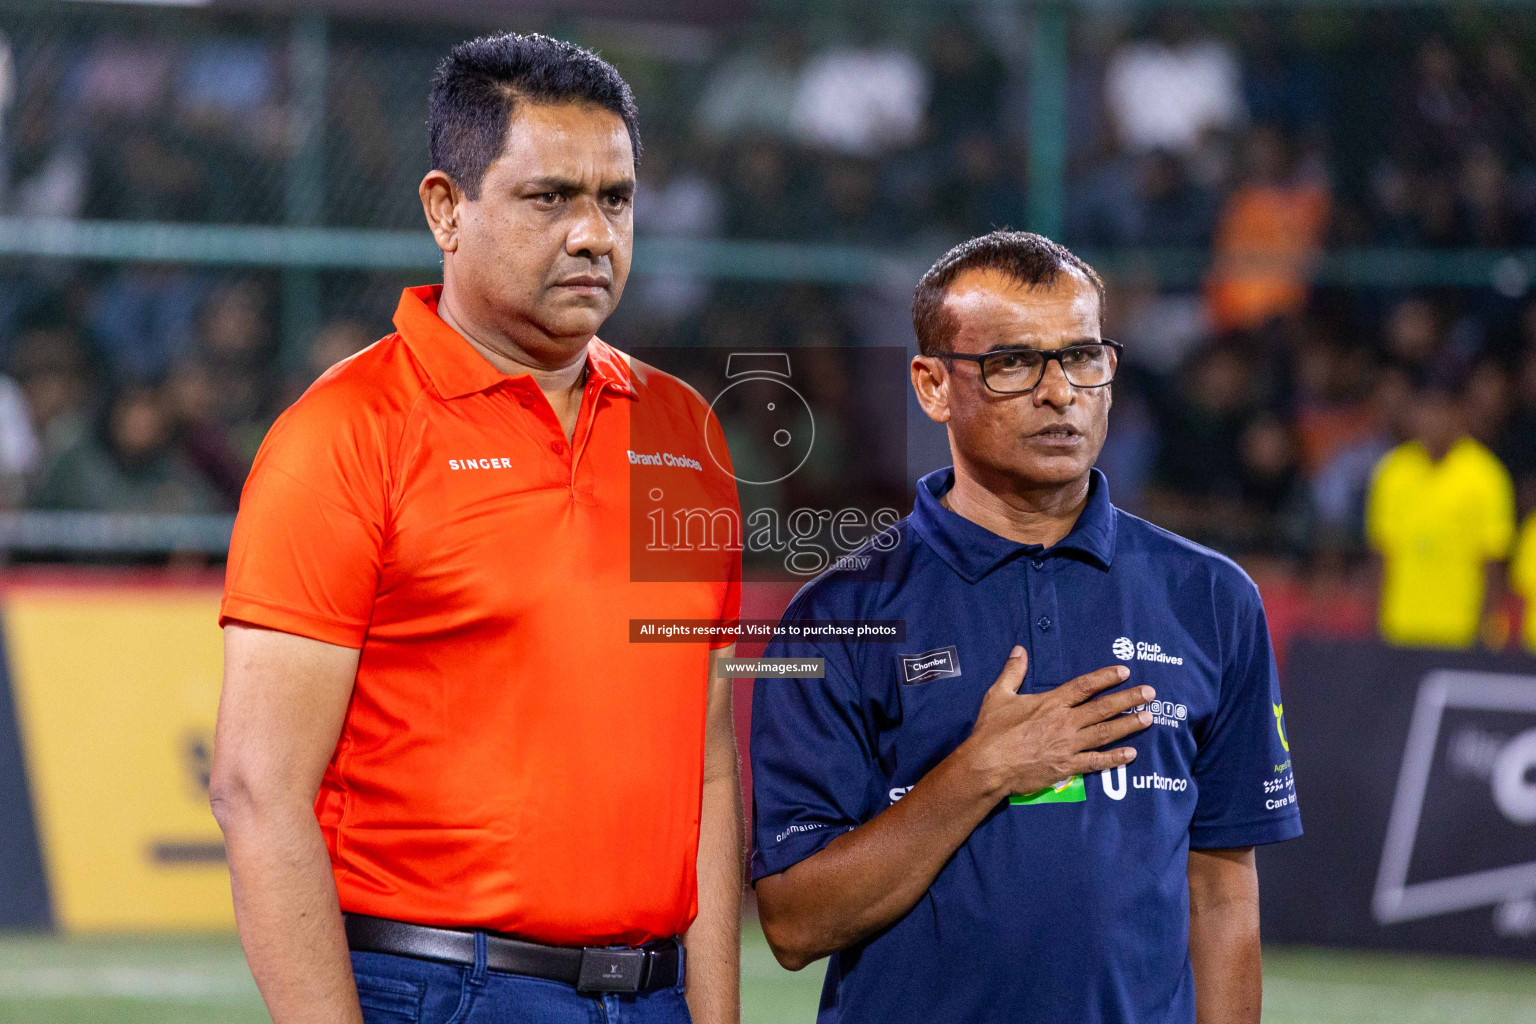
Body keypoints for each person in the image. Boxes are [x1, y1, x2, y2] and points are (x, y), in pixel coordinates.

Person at [210, 34, 743, 1024]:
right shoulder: (343, 435)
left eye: (616, 199)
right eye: (551, 199)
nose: (595, 234)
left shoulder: (685, 432)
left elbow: (705, 759)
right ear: (445, 208)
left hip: (655, 991)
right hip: (439, 989)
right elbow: (255, 788)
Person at [749, 231, 1302, 1024]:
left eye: (1082, 357)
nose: (1060, 393)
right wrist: (982, 771)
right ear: (933, 386)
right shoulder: (836, 617)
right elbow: (797, 923)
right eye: (1013, 363)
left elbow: (1222, 894)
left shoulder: (1212, 599)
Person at [1365, 376, 1516, 648]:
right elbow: (1381, 556)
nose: (1428, 420)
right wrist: (1376, 627)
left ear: (1458, 413)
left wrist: (1484, 632)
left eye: (1438, 410)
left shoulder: (1486, 477)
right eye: (1421, 410)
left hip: (1461, 635)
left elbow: (1494, 566)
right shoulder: (1392, 472)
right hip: (1400, 631)